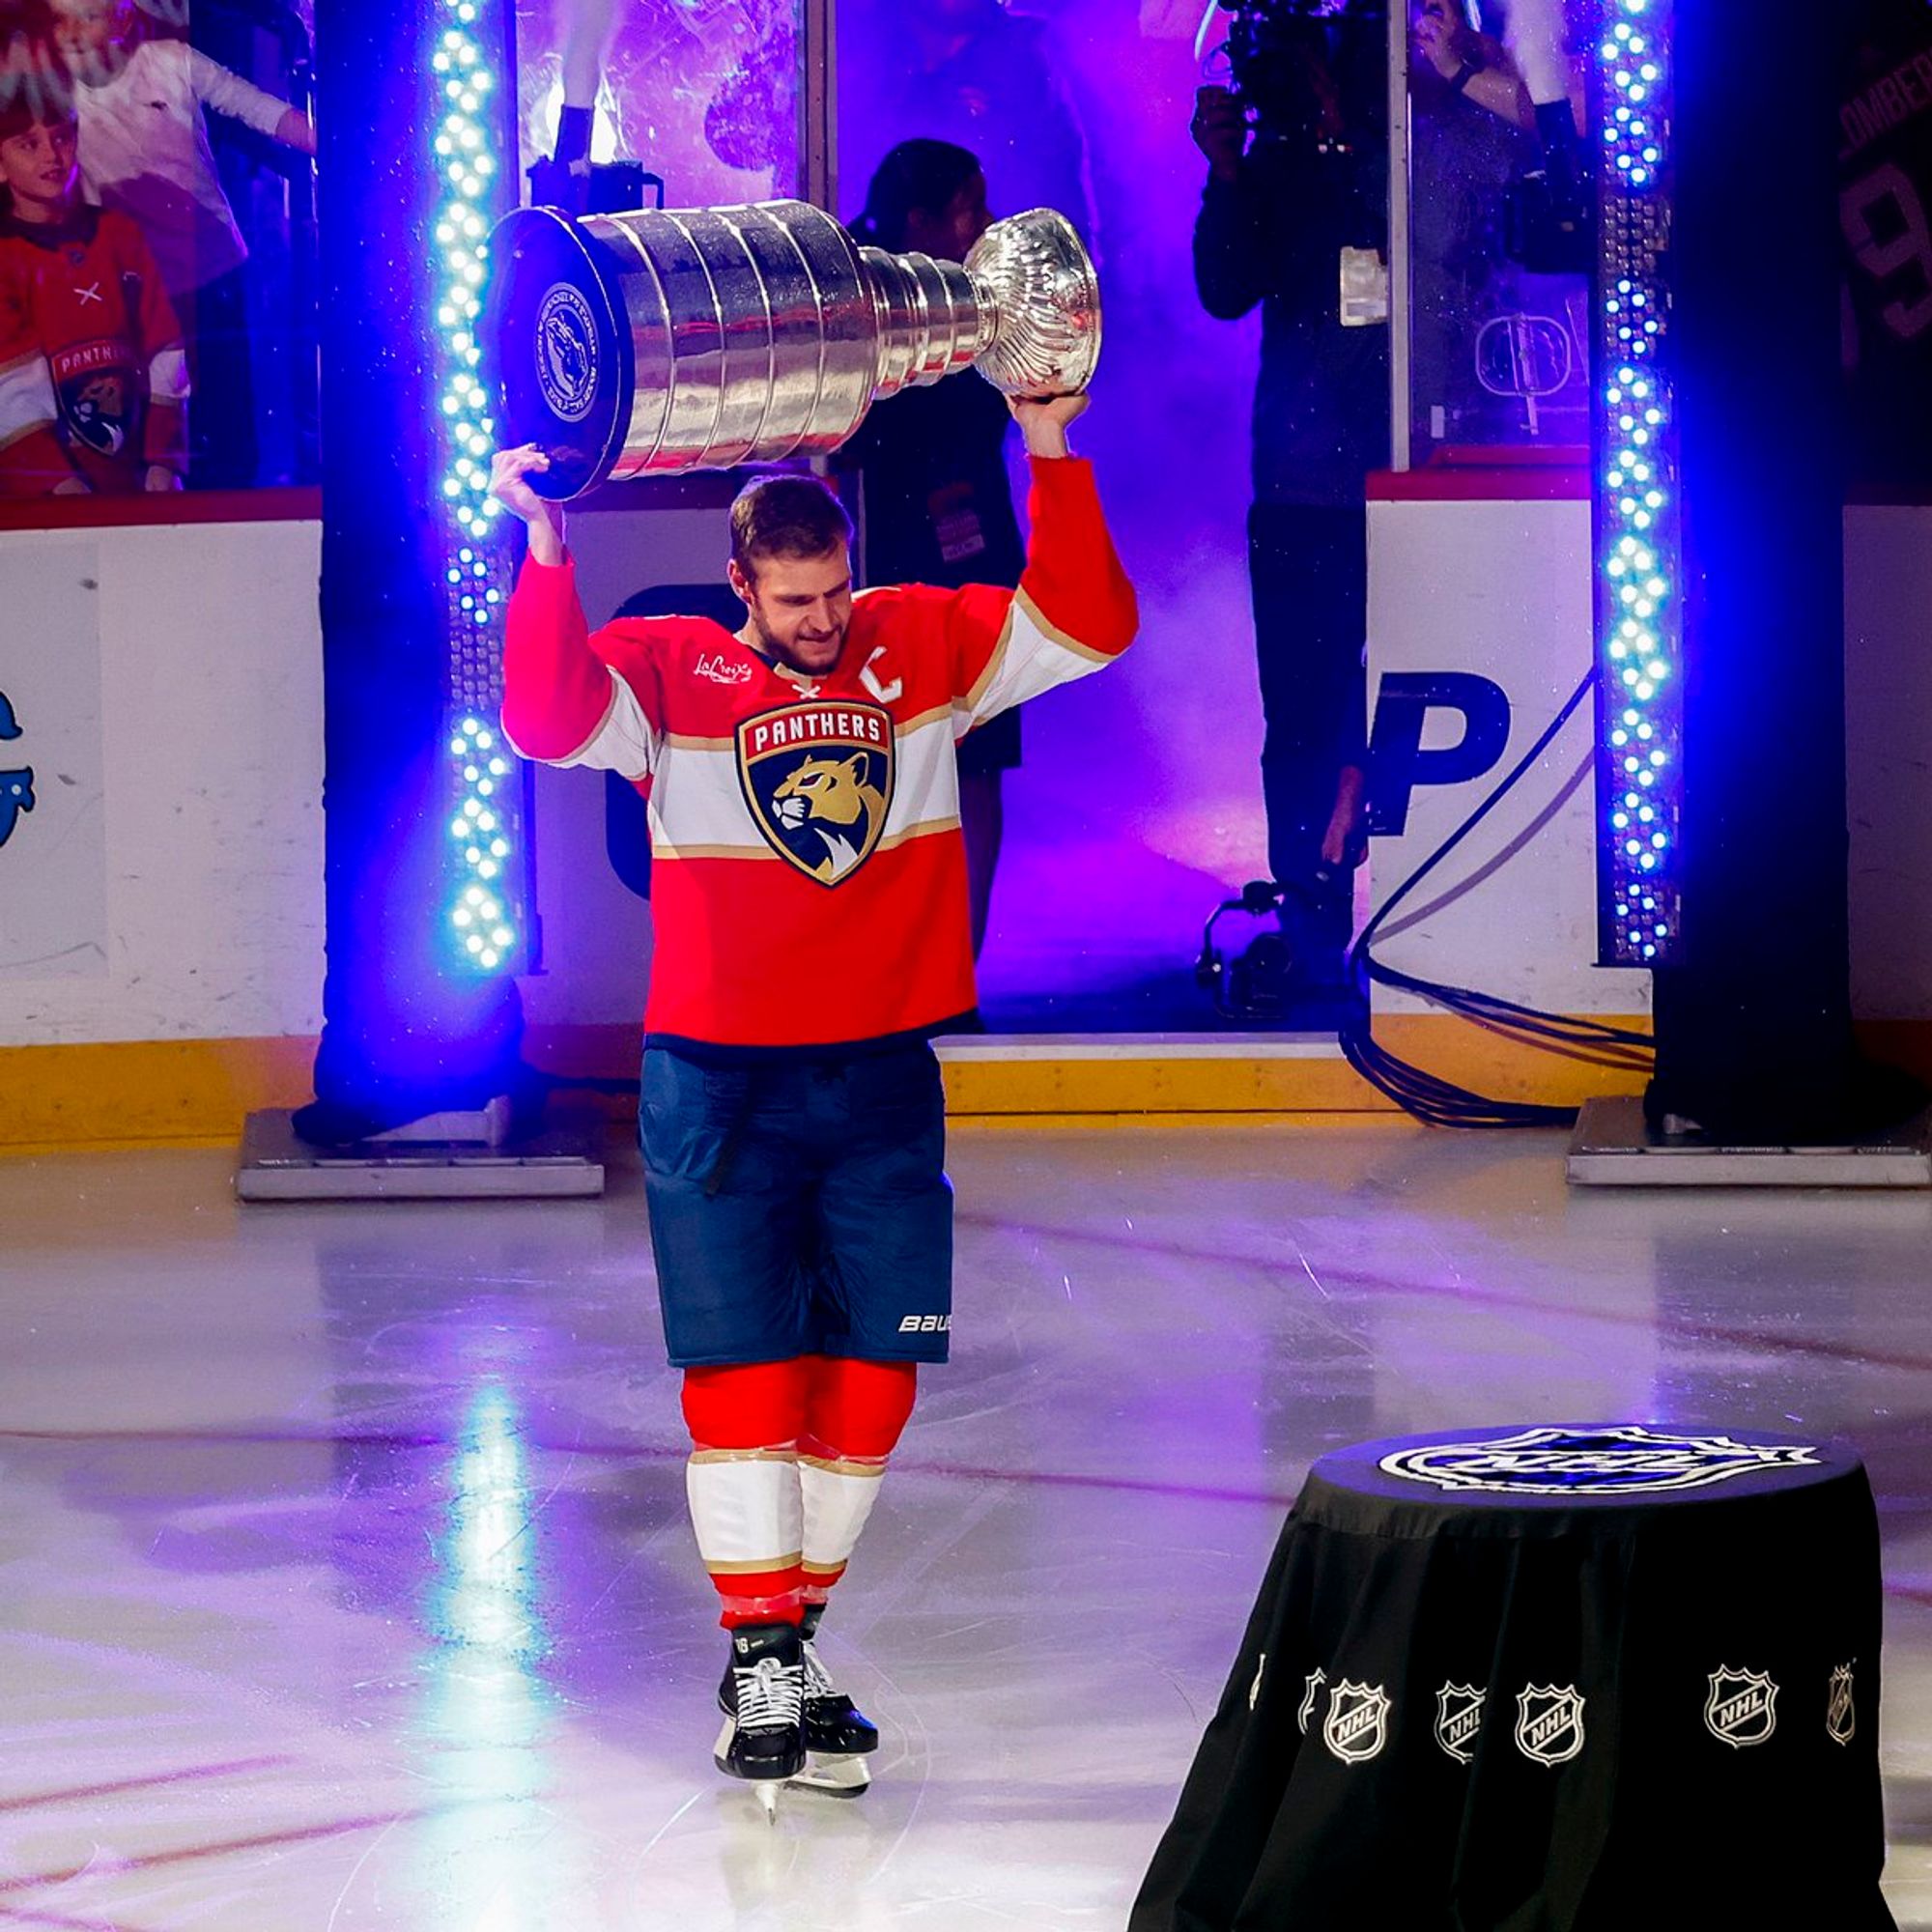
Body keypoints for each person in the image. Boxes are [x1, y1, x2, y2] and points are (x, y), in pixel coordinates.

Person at [489, 393, 1136, 1803]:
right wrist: (542, 545)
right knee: (746, 1380)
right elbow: (540, 722)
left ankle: (774, 1654)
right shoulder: (667, 670)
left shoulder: (922, 638)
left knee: (876, 1383)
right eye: (794, 601)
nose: (823, 619)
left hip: (880, 1076)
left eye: (835, 589)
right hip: (715, 1082)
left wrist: (1052, 443)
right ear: (742, 588)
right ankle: (768, 1650)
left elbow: (1088, 626)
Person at [1190, 29, 1387, 1002]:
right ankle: (1313, 922)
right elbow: (1223, 287)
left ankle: (1410, 918)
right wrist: (1225, 170)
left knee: (1400, 699)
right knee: (1303, 711)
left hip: (1410, 472)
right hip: (1305, 485)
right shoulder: (1273, 165)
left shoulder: (1407, 145)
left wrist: (1360, 136)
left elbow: (1445, 245)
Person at [842, 138, 1023, 957]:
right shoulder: (846, 293)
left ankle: (957, 968)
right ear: (916, 225)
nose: (983, 222)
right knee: (881, 767)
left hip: (973, 561)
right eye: (965, 208)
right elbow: (849, 438)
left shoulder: (995, 295)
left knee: (975, 762)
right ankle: (889, 968)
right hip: (881, 560)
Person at [47, 0, 314, 488]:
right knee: (148, 415)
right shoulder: (54, 94)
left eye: (88, 17)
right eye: (61, 20)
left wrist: (337, 143)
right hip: (129, 284)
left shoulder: (171, 61)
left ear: (122, 19)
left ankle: (235, 506)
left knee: (224, 403)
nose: (72, 32)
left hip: (208, 266)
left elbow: (257, 108)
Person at [0, 94, 186, 494]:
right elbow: (11, 386)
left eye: (61, 138)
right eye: (28, 145)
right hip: (48, 492)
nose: (51, 154)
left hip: (133, 477)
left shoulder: (119, 234)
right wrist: (59, 483)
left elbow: (165, 346)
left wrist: (162, 459)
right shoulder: (5, 257)